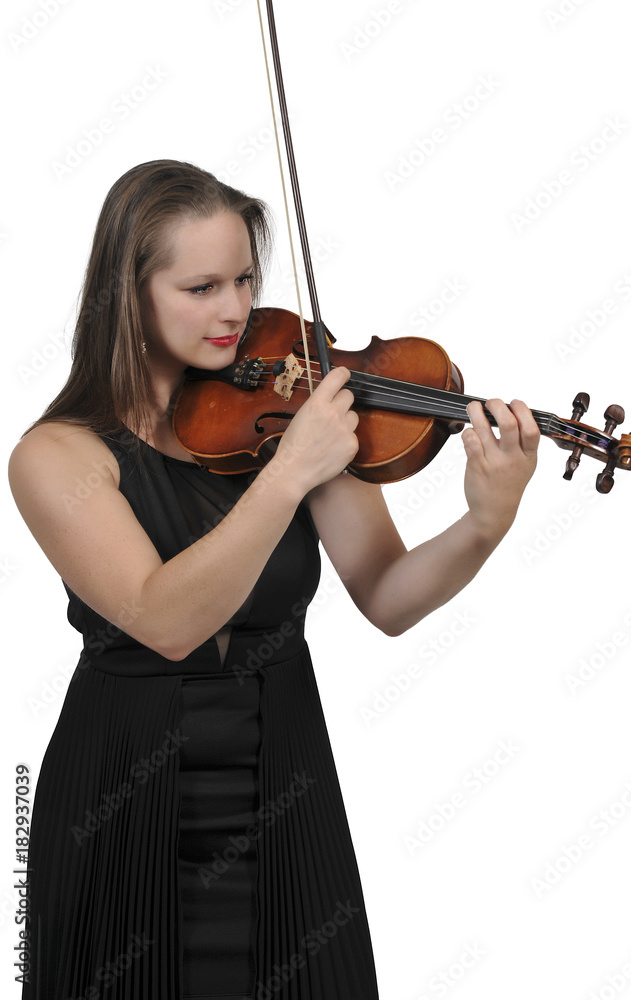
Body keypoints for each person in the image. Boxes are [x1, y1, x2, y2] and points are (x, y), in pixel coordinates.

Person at [8, 159, 540, 1000]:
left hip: (281, 775)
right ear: (128, 293)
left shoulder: (290, 417)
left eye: (246, 279)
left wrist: (486, 521)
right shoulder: (57, 455)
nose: (233, 310)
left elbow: (389, 595)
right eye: (201, 285)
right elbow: (165, 619)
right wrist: (287, 476)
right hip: (124, 789)